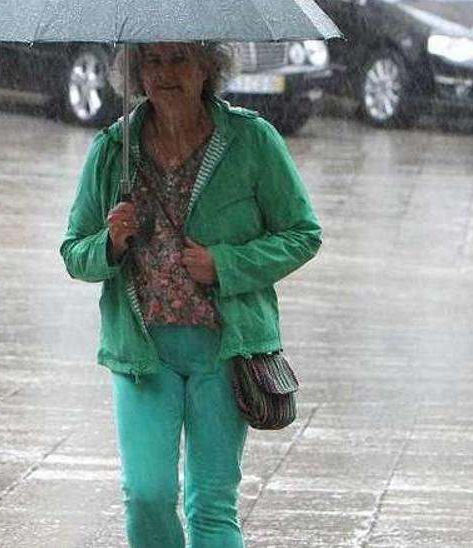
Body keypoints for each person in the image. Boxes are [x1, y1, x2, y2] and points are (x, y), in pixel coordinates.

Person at [60, 43, 321, 547]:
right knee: (147, 493)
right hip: (142, 354)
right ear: (136, 73)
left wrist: (226, 264)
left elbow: (301, 233)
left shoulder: (251, 140)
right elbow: (74, 252)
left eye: (179, 59)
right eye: (151, 62)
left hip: (226, 352)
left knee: (211, 505)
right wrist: (110, 243)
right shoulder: (114, 150)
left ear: (207, 67)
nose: (165, 74)